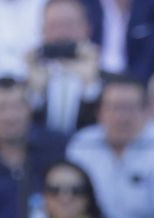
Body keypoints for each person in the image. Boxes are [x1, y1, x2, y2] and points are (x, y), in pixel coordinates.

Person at [67, 75, 154, 218]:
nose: (122, 117)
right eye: (114, 108)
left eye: (130, 108)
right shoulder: (81, 145)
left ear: (147, 111)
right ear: (99, 112)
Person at [0, 77, 69, 199]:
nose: (11, 116)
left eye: (18, 106)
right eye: (2, 108)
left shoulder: (59, 149)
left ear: (30, 108)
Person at [25, 0, 101, 136]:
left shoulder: (104, 79)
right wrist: (35, 91)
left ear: (87, 28)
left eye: (69, 25)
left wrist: (90, 85)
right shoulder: (27, 76)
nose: (62, 33)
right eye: (54, 26)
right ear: (43, 30)